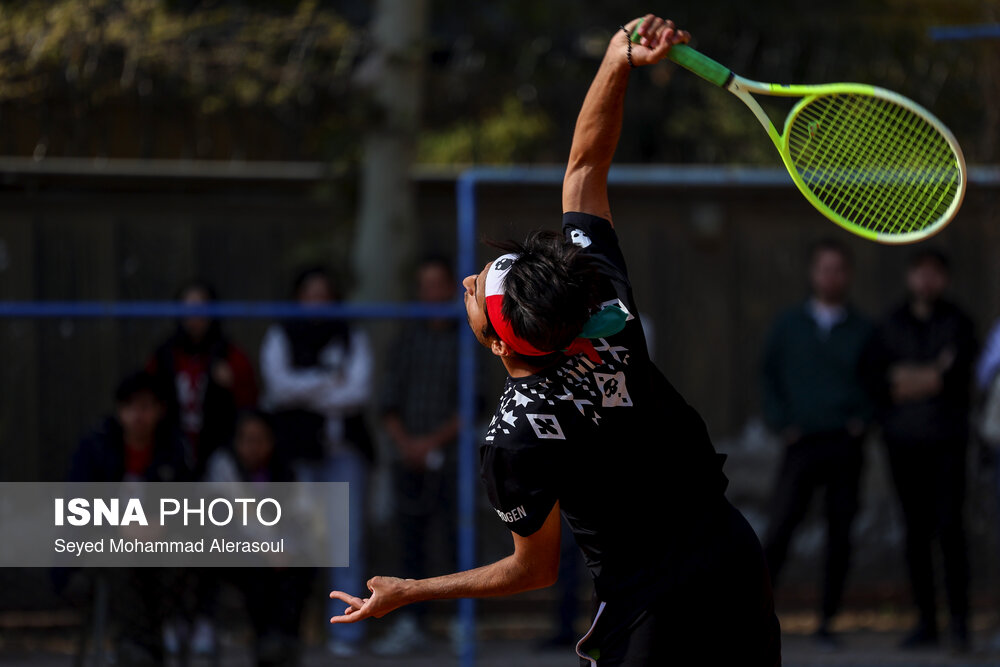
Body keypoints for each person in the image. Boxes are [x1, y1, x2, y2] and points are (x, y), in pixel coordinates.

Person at [329, 15, 781, 666]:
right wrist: (616, 59)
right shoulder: (605, 309)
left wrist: (413, 589)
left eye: (473, 289)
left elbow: (531, 571)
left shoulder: (516, 432)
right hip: (733, 560)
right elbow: (585, 166)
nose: (464, 279)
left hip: (650, 607)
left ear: (502, 347)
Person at [759, 239, 873, 647]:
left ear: (849, 274)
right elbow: (767, 376)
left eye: (838, 269)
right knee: (780, 528)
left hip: (845, 443)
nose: (831, 276)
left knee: (839, 533)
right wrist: (781, 421)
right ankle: (753, 613)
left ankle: (828, 619)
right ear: (813, 273)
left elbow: (877, 384)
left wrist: (862, 420)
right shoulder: (789, 325)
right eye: (824, 268)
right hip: (801, 442)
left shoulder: (863, 329)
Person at [260, 266, 374, 657]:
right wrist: (328, 382)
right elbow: (278, 389)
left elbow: (358, 392)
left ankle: (346, 633)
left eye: (325, 294)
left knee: (347, 544)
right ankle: (294, 630)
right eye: (310, 294)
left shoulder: (351, 334)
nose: (318, 302)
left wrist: (304, 389)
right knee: (298, 540)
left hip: (345, 454)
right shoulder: (281, 334)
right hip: (300, 457)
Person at [867, 249, 977, 651]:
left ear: (944, 279)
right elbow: (881, 381)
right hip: (904, 444)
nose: (927, 281)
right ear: (910, 276)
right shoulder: (890, 323)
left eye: (935, 274)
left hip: (947, 443)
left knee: (950, 530)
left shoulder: (959, 322)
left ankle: (960, 623)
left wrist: (908, 377)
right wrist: (931, 373)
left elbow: (958, 379)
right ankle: (926, 622)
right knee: (915, 533)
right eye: (921, 273)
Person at [67, 371, 191, 666]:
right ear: (120, 410)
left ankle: (145, 647)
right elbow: (78, 508)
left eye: (147, 407)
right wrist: (119, 526)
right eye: (132, 407)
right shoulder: (95, 448)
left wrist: (162, 525)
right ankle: (139, 646)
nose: (139, 415)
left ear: (160, 410)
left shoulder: (173, 450)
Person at [374, 255, 459, 655]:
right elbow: (387, 401)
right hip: (405, 459)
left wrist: (432, 443)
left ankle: (463, 621)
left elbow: (472, 405)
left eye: (437, 284)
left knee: (457, 539)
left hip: (452, 461)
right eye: (424, 285)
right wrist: (407, 444)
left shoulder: (466, 339)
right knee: (409, 542)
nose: (431, 293)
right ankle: (410, 623)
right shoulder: (405, 339)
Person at [204, 410, 312, 667]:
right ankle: (265, 640)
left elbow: (301, 518)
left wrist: (286, 548)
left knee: (302, 565)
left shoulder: (285, 470)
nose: (253, 447)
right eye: (247, 440)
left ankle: (286, 639)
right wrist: (266, 547)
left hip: (280, 552)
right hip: (234, 550)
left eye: (260, 439)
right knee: (256, 567)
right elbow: (231, 522)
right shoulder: (223, 468)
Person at [147, 279, 258, 479]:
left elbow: (250, 404)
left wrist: (232, 383)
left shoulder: (232, 355)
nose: (194, 317)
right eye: (188, 309)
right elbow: (148, 398)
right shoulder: (164, 355)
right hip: (171, 447)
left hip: (220, 448)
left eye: (201, 309)